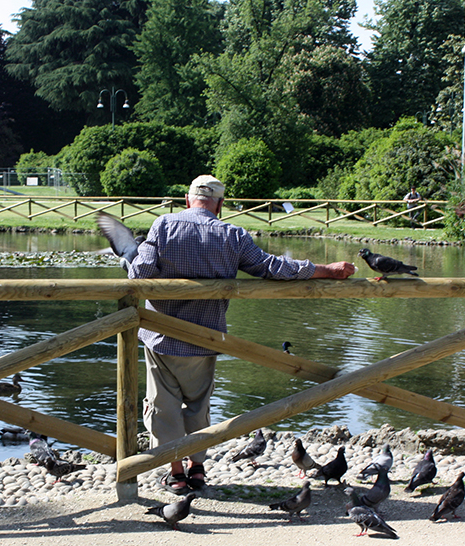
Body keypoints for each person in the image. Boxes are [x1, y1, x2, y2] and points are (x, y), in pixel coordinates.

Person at [126, 175, 357, 494]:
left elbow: (139, 274)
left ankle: (176, 473)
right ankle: (198, 470)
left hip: (161, 337)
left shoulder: (164, 226)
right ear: (220, 204)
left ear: (186, 198)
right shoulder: (232, 234)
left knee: (163, 406)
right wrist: (325, 270)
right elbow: (272, 267)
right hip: (206, 339)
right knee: (198, 406)